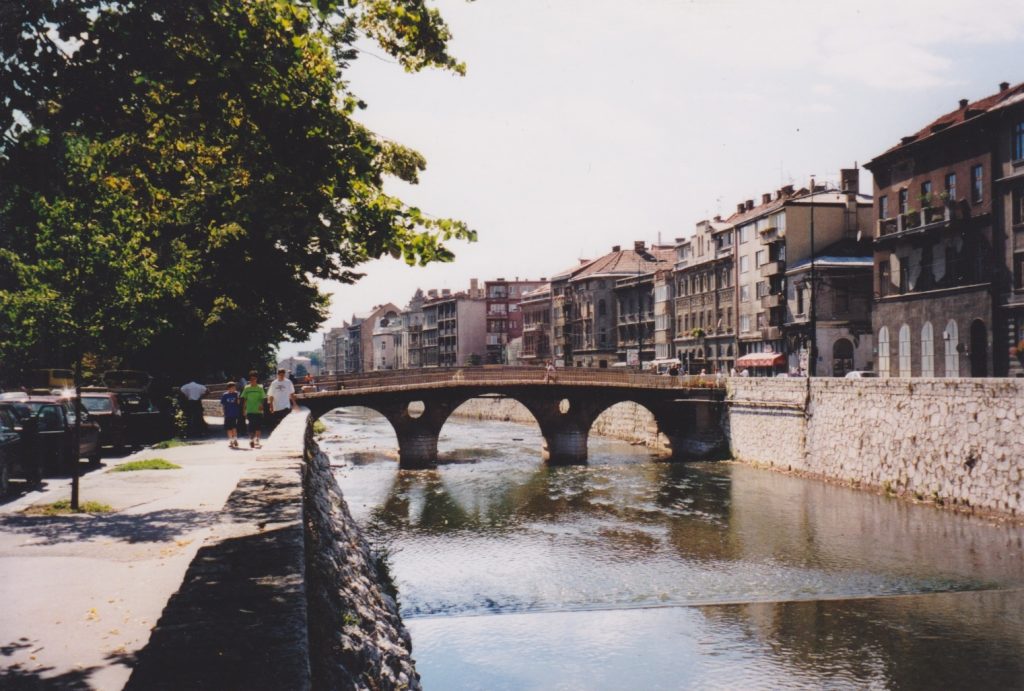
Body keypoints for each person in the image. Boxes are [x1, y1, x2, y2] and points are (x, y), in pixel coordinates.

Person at [240, 371, 266, 448]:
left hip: (258, 410)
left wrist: (261, 405)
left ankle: (257, 439)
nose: (252, 380)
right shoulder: (247, 388)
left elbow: (263, 398)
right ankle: (251, 440)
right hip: (250, 410)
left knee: (258, 425)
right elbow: (244, 399)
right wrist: (244, 409)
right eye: (251, 379)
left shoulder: (260, 388)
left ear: (256, 379)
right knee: (251, 425)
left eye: (254, 379)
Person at [220, 382, 242, 448]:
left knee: (234, 427)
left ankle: (235, 439)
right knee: (228, 429)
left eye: (235, 388)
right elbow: (223, 405)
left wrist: (238, 397)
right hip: (227, 414)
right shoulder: (225, 395)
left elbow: (238, 403)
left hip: (234, 414)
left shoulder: (236, 394)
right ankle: (231, 441)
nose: (234, 389)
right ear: (229, 388)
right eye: (233, 388)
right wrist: (223, 412)